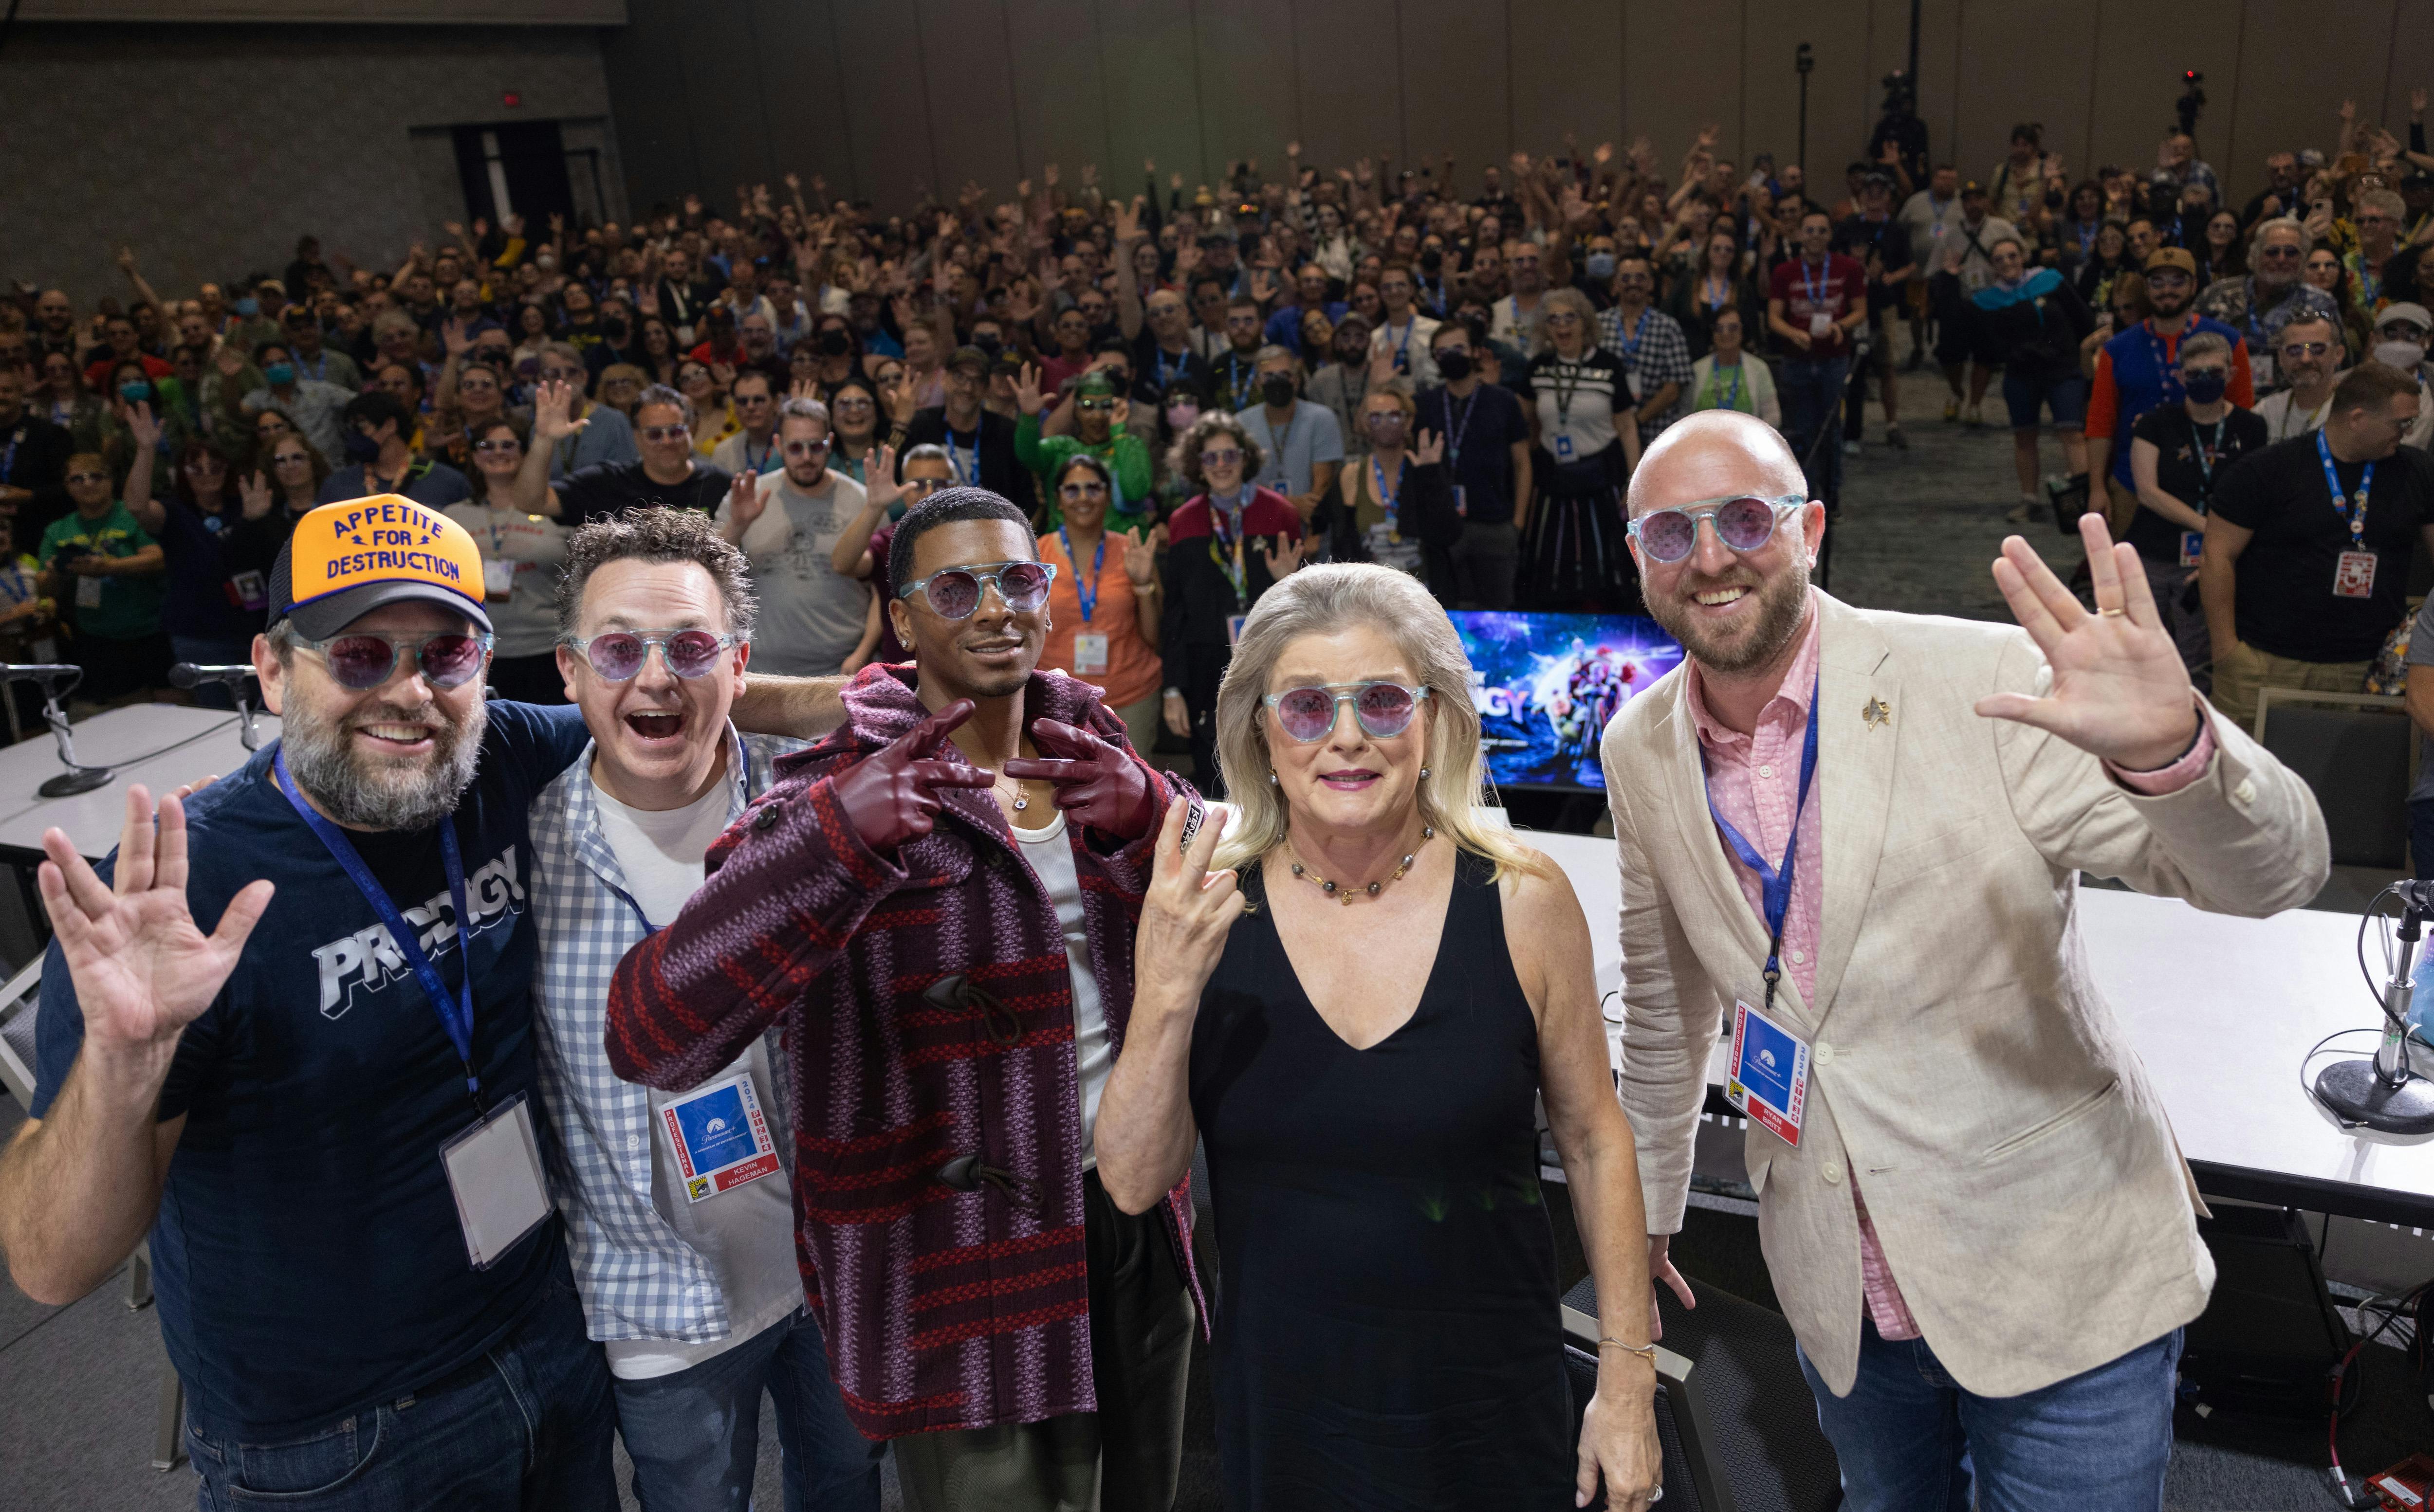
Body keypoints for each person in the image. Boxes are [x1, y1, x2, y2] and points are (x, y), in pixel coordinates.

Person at [1606, 409, 2328, 1512]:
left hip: (2055, 1273)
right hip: (1838, 1287)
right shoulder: (1636, 745)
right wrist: (1649, 1208)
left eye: (1742, 519)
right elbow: (1665, 1010)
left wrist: (2174, 748)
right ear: (1637, 556)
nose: (1709, 557)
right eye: (1671, 532)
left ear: (1808, 526)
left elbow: (2271, 874)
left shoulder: (1981, 676)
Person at [602, 485, 1204, 1511]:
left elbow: (1226, 894)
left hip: (1135, 1213)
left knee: (1148, 1489)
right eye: (958, 586)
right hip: (960, 1254)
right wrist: (837, 839)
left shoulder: (1092, 742)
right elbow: (651, 1033)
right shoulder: (828, 787)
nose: (997, 608)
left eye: (1019, 579)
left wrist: (1158, 814)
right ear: (905, 611)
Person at [1096, 563, 1663, 1511]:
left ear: (1434, 720)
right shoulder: (1204, 910)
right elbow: (1131, 1176)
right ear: (1260, 730)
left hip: (1495, 1411)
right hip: (1290, 1417)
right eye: (1308, 706)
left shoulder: (1523, 900)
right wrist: (1161, 990)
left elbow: (1597, 1136)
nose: (1348, 735)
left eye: (1384, 700)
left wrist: (1628, 1379)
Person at [529, 508, 885, 1511]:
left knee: (849, 1482)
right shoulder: (520, 848)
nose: (654, 677)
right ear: (568, 669)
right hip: (656, 1303)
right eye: (617, 647)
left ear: (737, 665)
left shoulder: (817, 808)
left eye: (689, 646)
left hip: (832, 1264)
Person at [2203, 363, 2434, 730]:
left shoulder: (2415, 470)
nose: (2406, 433)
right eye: (2400, 423)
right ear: (2358, 417)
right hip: (2266, 663)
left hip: (2365, 666)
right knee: (2247, 782)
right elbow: (2217, 554)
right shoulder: (2268, 469)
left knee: (2349, 781)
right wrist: (2227, 650)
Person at [1162, 412, 1305, 793]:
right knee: (1212, 767)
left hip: (1269, 657)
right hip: (1204, 665)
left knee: (1273, 758)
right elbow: (1174, 610)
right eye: (1211, 457)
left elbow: (1307, 608)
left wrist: (1292, 581)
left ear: (1246, 458)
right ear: (1197, 464)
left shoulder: (1281, 513)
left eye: (1230, 455)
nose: (1221, 465)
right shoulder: (1183, 520)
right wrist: (1173, 689)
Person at [2120, 332, 2266, 687]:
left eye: (2214, 372)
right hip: (2156, 549)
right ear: (2180, 377)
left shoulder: (2251, 427)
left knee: (2197, 652)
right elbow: (2149, 492)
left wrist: (2219, 541)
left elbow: (2255, 494)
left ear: (2231, 375)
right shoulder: (2156, 423)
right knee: (2138, 644)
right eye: (2195, 373)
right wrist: (2209, 527)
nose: (2204, 380)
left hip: (2215, 556)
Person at [2087, 249, 2253, 533]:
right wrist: (2097, 488)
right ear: (2146, 289)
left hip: (2209, 479)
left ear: (2193, 286)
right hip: (2132, 483)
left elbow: (2243, 412)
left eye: (2178, 281)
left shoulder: (2228, 341)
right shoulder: (2117, 349)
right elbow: (2100, 423)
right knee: (2129, 569)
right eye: (2158, 282)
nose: (2167, 290)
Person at [714, 395, 873, 677]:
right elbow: (710, 572)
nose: (807, 458)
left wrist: (863, 654)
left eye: (816, 446)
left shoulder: (860, 500)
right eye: (796, 448)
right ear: (779, 445)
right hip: (759, 667)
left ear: (830, 443)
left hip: (842, 667)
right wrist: (738, 524)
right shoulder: (747, 497)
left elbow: (881, 590)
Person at [124, 422, 282, 692]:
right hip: (199, 633)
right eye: (196, 468)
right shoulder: (174, 512)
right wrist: (146, 448)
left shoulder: (245, 502)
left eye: (216, 466)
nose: (208, 474)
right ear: (183, 474)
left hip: (254, 628)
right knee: (216, 714)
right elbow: (137, 507)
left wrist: (255, 519)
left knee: (266, 711)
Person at [1520, 287, 1639, 611]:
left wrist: (1634, 481)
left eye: (1569, 317)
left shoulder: (1608, 365)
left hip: (1600, 481)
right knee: (1550, 568)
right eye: (1553, 319)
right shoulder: (1537, 369)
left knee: (1605, 568)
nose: (1562, 326)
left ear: (1585, 322)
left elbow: (1627, 427)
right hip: (1552, 483)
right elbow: (1528, 427)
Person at [1038, 454, 1163, 755]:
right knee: (1063, 795)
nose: (1083, 498)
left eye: (1093, 488)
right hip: (1059, 699)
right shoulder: (1037, 553)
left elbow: (1156, 639)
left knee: (1134, 794)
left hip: (1130, 697)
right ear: (1058, 500)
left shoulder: (1132, 551)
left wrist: (1143, 584)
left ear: (1108, 496)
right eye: (1072, 489)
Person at [1972, 236, 2097, 522]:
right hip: (2021, 375)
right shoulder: (1988, 301)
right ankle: (2029, 501)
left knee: (2073, 433)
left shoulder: (2051, 281)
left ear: (2024, 256)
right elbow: (1988, 344)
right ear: (1992, 267)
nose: (2007, 263)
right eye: (1999, 259)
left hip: (2063, 370)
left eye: (2012, 255)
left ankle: (2086, 503)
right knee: (2024, 437)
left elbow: (2082, 319)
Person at [446, 417, 570, 704]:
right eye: (487, 445)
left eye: (508, 445)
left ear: (525, 454)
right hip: (480, 651)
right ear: (475, 457)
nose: (498, 452)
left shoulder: (557, 510)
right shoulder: (453, 517)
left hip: (548, 649)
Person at [37, 447, 167, 705]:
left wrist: (107, 567)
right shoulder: (58, 530)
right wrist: (55, 572)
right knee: (131, 711)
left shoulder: (131, 514)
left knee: (175, 701)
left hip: (153, 628)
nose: (88, 484)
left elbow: (157, 559)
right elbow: (44, 588)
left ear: (111, 481)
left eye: (96, 476)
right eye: (78, 479)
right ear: (67, 487)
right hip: (100, 638)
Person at [1418, 321, 1532, 611]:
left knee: (1498, 614)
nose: (1451, 356)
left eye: (1458, 348)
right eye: (1442, 351)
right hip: (1441, 529)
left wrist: (1517, 523)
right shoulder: (1424, 404)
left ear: (1476, 352)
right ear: (1434, 359)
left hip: (1494, 524)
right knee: (1441, 616)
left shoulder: (1503, 400)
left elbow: (1522, 463)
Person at [1309, 386, 1461, 601]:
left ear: (1408, 422)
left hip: (1423, 594)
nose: (1385, 423)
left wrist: (1431, 478)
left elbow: (1448, 534)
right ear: (1365, 423)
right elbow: (1343, 544)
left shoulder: (1424, 469)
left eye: (1394, 416)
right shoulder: (1352, 474)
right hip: (1368, 597)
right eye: (1376, 417)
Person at [526, 380, 733, 524]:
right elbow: (532, 501)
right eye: (654, 434)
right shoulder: (608, 482)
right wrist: (543, 439)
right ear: (636, 437)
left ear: (690, 430)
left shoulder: (720, 483)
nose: (667, 441)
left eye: (676, 431)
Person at [1768, 211, 1869, 504]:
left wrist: (1841, 327)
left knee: (1831, 428)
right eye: (1809, 230)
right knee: (1801, 430)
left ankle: (1832, 492)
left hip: (1834, 358)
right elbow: (1774, 318)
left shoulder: (1847, 268)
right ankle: (1804, 494)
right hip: (1796, 358)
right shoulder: (1784, 272)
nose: (1815, 236)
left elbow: (1860, 310)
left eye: (1821, 231)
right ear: (1800, 234)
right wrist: (1792, 333)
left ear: (1830, 236)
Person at [2194, 219, 2340, 392]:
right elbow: (2191, 351)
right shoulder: (2217, 295)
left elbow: (2337, 364)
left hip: (2296, 403)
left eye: (2291, 252)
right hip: (2226, 402)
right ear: (2255, 255)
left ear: (2304, 259)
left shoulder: (2321, 303)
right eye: (2272, 252)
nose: (2281, 259)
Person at [902, 345, 1037, 516]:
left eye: (977, 380)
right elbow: (892, 483)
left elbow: (1027, 497)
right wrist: (900, 424)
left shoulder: (1006, 432)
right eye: (960, 377)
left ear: (986, 389)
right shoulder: (921, 425)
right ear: (943, 379)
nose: (968, 388)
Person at [1016, 368, 1154, 534]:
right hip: (1066, 551)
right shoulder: (1059, 449)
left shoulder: (1131, 445)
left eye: (1106, 406)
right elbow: (1027, 456)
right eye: (1088, 406)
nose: (1098, 416)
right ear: (1075, 411)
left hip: (1122, 551)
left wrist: (1118, 433)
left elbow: (1135, 492)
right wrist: (1029, 417)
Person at [1836, 172, 1915, 452]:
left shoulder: (1896, 230)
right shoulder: (1848, 226)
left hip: (1884, 303)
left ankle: (1892, 424)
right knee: (1850, 367)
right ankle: (1849, 427)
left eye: (1880, 193)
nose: (1874, 197)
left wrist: (1891, 277)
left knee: (1886, 365)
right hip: (1852, 303)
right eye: (1869, 192)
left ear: (1889, 198)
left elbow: (1911, 265)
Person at [1929, 180, 2019, 424]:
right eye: (1968, 200)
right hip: (1960, 301)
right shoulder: (1950, 234)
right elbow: (1934, 270)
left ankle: (1975, 404)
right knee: (1951, 355)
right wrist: (1948, 273)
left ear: (1987, 202)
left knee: (1985, 355)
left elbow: (2022, 255)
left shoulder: (2002, 228)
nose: (1974, 205)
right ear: (1962, 204)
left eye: (1979, 198)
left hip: (1991, 301)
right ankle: (1957, 391)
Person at [1234, 345, 1345, 520]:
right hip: (1259, 524)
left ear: (1297, 380)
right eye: (1269, 376)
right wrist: (1291, 503)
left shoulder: (1322, 418)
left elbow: (1322, 487)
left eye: (1284, 374)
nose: (1277, 381)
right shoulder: (1240, 424)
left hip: (1313, 525)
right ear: (1257, 384)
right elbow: (1241, 487)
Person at [1596, 255, 1695, 450]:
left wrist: (1635, 421)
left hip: (1659, 434)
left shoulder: (1668, 327)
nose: (1633, 283)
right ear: (1615, 285)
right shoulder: (1598, 325)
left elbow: (1673, 389)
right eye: (1626, 278)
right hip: (1606, 431)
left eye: (1640, 278)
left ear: (1650, 284)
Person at [317, 390, 472, 509]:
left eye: (361, 426)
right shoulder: (337, 486)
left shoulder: (448, 483)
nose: (355, 436)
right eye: (350, 430)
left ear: (390, 425)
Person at [0, 365, 74, 539]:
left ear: (21, 394)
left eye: (7, 391)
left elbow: (68, 487)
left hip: (39, 531)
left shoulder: (50, 435)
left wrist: (28, 496)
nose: (1, 396)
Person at [2254, 313, 2344, 442]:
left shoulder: (2352, 411)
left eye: (2317, 349)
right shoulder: (2267, 412)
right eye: (2294, 350)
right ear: (2280, 357)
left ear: (2338, 354)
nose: (2305, 359)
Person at [1686, 308, 1782, 425]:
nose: (1725, 333)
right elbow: (1685, 416)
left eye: (1733, 328)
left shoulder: (1759, 368)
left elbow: (1773, 417)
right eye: (1719, 328)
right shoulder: (1697, 370)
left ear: (1743, 331)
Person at [2370, 302, 2434, 450]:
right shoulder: (2348, 382)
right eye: (2391, 333)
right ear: (2375, 338)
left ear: (2428, 340)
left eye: (2412, 334)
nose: (2400, 341)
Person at [1370, 267, 1442, 387]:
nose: (1394, 291)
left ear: (1412, 290)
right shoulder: (1374, 339)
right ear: (1380, 294)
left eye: (1401, 285)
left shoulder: (1435, 330)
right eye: (1387, 287)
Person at [709, 368, 783, 479]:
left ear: (776, 402)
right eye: (742, 402)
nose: (750, 407)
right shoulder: (723, 452)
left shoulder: (796, 447)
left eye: (759, 400)